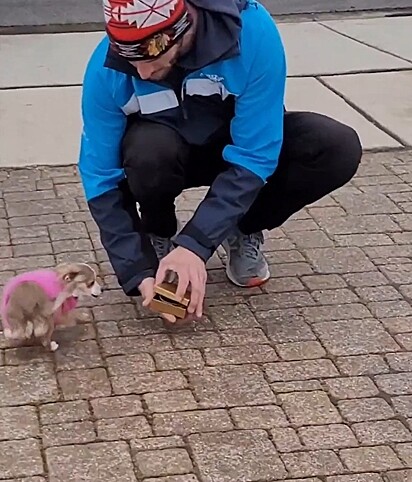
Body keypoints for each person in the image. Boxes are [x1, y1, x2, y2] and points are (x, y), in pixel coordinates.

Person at [78, 0, 362, 322]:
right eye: (129, 59)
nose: (142, 72)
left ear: (182, 29)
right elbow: (100, 176)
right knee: (148, 152)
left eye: (150, 55)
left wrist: (197, 244)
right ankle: (157, 234)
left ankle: (242, 228)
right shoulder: (106, 69)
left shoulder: (252, 31)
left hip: (234, 146)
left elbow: (256, 152)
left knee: (334, 146)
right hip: (162, 155)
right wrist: (137, 270)